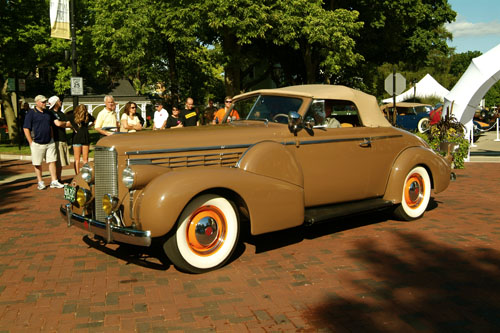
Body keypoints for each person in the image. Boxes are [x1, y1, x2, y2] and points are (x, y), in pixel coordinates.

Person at [23, 95, 66, 190]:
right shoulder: (31, 113)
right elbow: (26, 128)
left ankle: (54, 181)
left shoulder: (48, 113)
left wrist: (52, 137)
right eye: (42, 102)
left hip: (49, 142)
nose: (44, 103)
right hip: (37, 142)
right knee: (37, 163)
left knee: (52, 161)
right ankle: (40, 181)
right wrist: (30, 142)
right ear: (37, 102)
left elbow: (51, 125)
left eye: (45, 102)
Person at [48, 95, 71, 183]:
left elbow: (69, 124)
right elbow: (58, 124)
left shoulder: (61, 113)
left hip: (62, 138)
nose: (60, 102)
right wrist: (63, 123)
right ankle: (55, 179)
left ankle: (59, 178)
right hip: (55, 139)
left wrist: (63, 123)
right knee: (56, 161)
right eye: (59, 101)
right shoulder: (50, 113)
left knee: (61, 161)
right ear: (55, 103)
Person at [68, 104, 94, 174]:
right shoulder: (87, 116)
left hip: (76, 136)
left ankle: (77, 174)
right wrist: (89, 127)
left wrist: (73, 127)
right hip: (85, 136)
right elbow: (95, 121)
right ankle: (85, 174)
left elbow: (66, 123)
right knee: (85, 159)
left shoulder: (72, 116)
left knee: (77, 159)